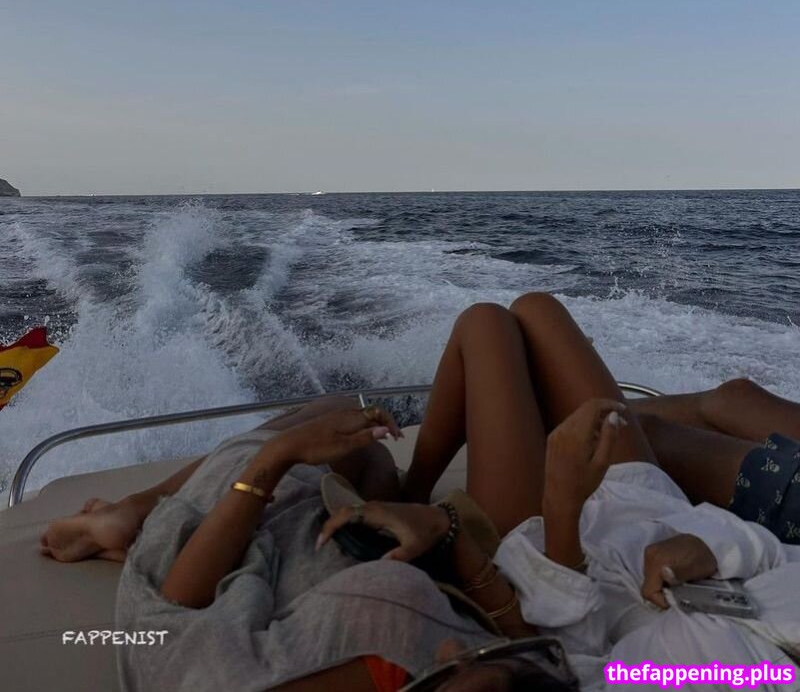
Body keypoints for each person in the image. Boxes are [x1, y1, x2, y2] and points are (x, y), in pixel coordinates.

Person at [42, 294, 800, 690]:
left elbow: (575, 652)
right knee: (535, 307)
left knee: (484, 326)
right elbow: (774, 556)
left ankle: (414, 481)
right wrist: (713, 548)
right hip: (649, 499)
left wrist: (563, 507)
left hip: (551, 537)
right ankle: (411, 481)